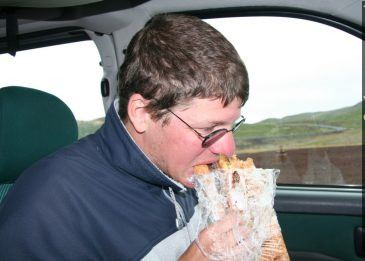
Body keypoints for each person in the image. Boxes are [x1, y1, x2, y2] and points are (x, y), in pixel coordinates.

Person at [0, 14, 249, 260]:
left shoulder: (186, 173)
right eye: (208, 131)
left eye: (231, 126)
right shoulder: (47, 207)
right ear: (142, 114)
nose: (228, 149)